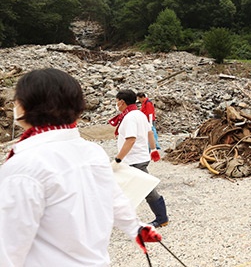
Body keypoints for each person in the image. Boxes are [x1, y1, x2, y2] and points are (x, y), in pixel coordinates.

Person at [0, 68, 161, 265]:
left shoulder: (23, 165)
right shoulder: (92, 151)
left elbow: (10, 244)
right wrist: (135, 228)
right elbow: (114, 197)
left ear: (25, 106)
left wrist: (119, 160)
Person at [110, 89, 169, 228]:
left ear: (122, 102)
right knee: (134, 187)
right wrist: (153, 149)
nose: (116, 104)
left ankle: (161, 218)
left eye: (117, 101)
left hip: (134, 159)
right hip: (140, 156)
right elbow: (149, 132)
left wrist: (117, 160)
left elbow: (130, 140)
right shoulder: (139, 114)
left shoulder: (130, 117)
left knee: (146, 189)